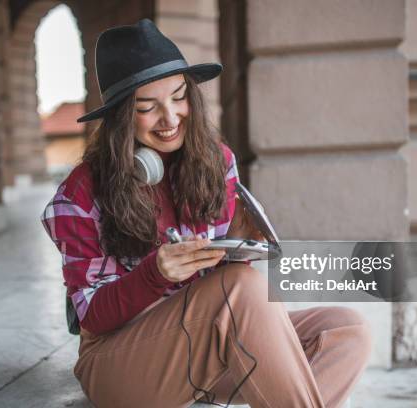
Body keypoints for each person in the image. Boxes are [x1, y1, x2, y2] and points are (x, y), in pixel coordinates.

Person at [41, 19, 371, 408]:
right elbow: (92, 317)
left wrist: (240, 237)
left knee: (348, 330)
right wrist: (155, 274)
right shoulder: (80, 194)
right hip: (120, 363)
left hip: (202, 349)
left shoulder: (216, 163)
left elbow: (218, 291)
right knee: (240, 286)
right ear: (121, 119)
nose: (170, 118)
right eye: (147, 107)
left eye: (179, 97)